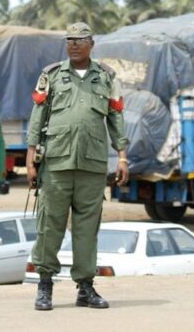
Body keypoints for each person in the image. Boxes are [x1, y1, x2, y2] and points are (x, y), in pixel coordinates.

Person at [26, 22, 129, 311]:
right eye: (69, 40)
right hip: (56, 163)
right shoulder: (51, 75)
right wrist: (30, 158)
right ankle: (44, 286)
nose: (73, 44)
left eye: (79, 40)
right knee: (49, 225)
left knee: (87, 228)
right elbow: (37, 117)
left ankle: (85, 288)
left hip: (92, 165)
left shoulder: (107, 77)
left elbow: (116, 117)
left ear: (91, 44)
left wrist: (122, 156)